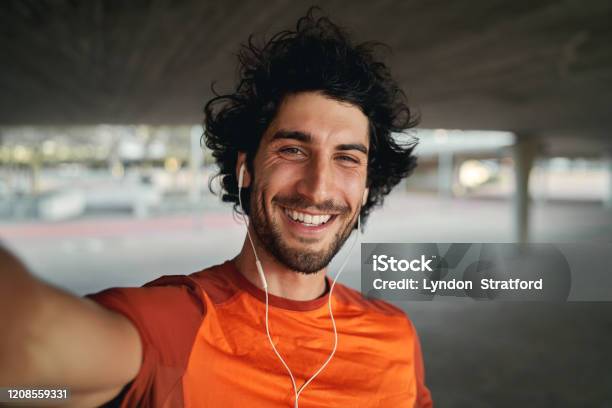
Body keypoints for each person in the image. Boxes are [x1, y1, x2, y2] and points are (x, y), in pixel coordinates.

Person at [0, 9, 432, 408]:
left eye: (347, 158)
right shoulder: (178, 326)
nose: (318, 188)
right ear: (246, 168)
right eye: (293, 150)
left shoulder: (396, 335)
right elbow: (29, 357)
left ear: (366, 185)